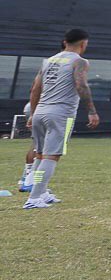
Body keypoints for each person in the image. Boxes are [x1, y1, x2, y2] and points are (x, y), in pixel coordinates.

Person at [23, 28, 100, 209]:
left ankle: (41, 192)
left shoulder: (49, 61)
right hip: (61, 114)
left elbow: (35, 89)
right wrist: (92, 111)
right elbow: (81, 85)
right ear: (83, 43)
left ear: (65, 42)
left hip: (41, 111)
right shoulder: (79, 61)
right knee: (51, 156)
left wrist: (33, 114)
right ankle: (34, 198)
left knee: (40, 155)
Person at [18, 99, 38, 192]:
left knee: (36, 142)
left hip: (33, 106)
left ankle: (25, 178)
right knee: (41, 145)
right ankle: (30, 181)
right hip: (41, 107)